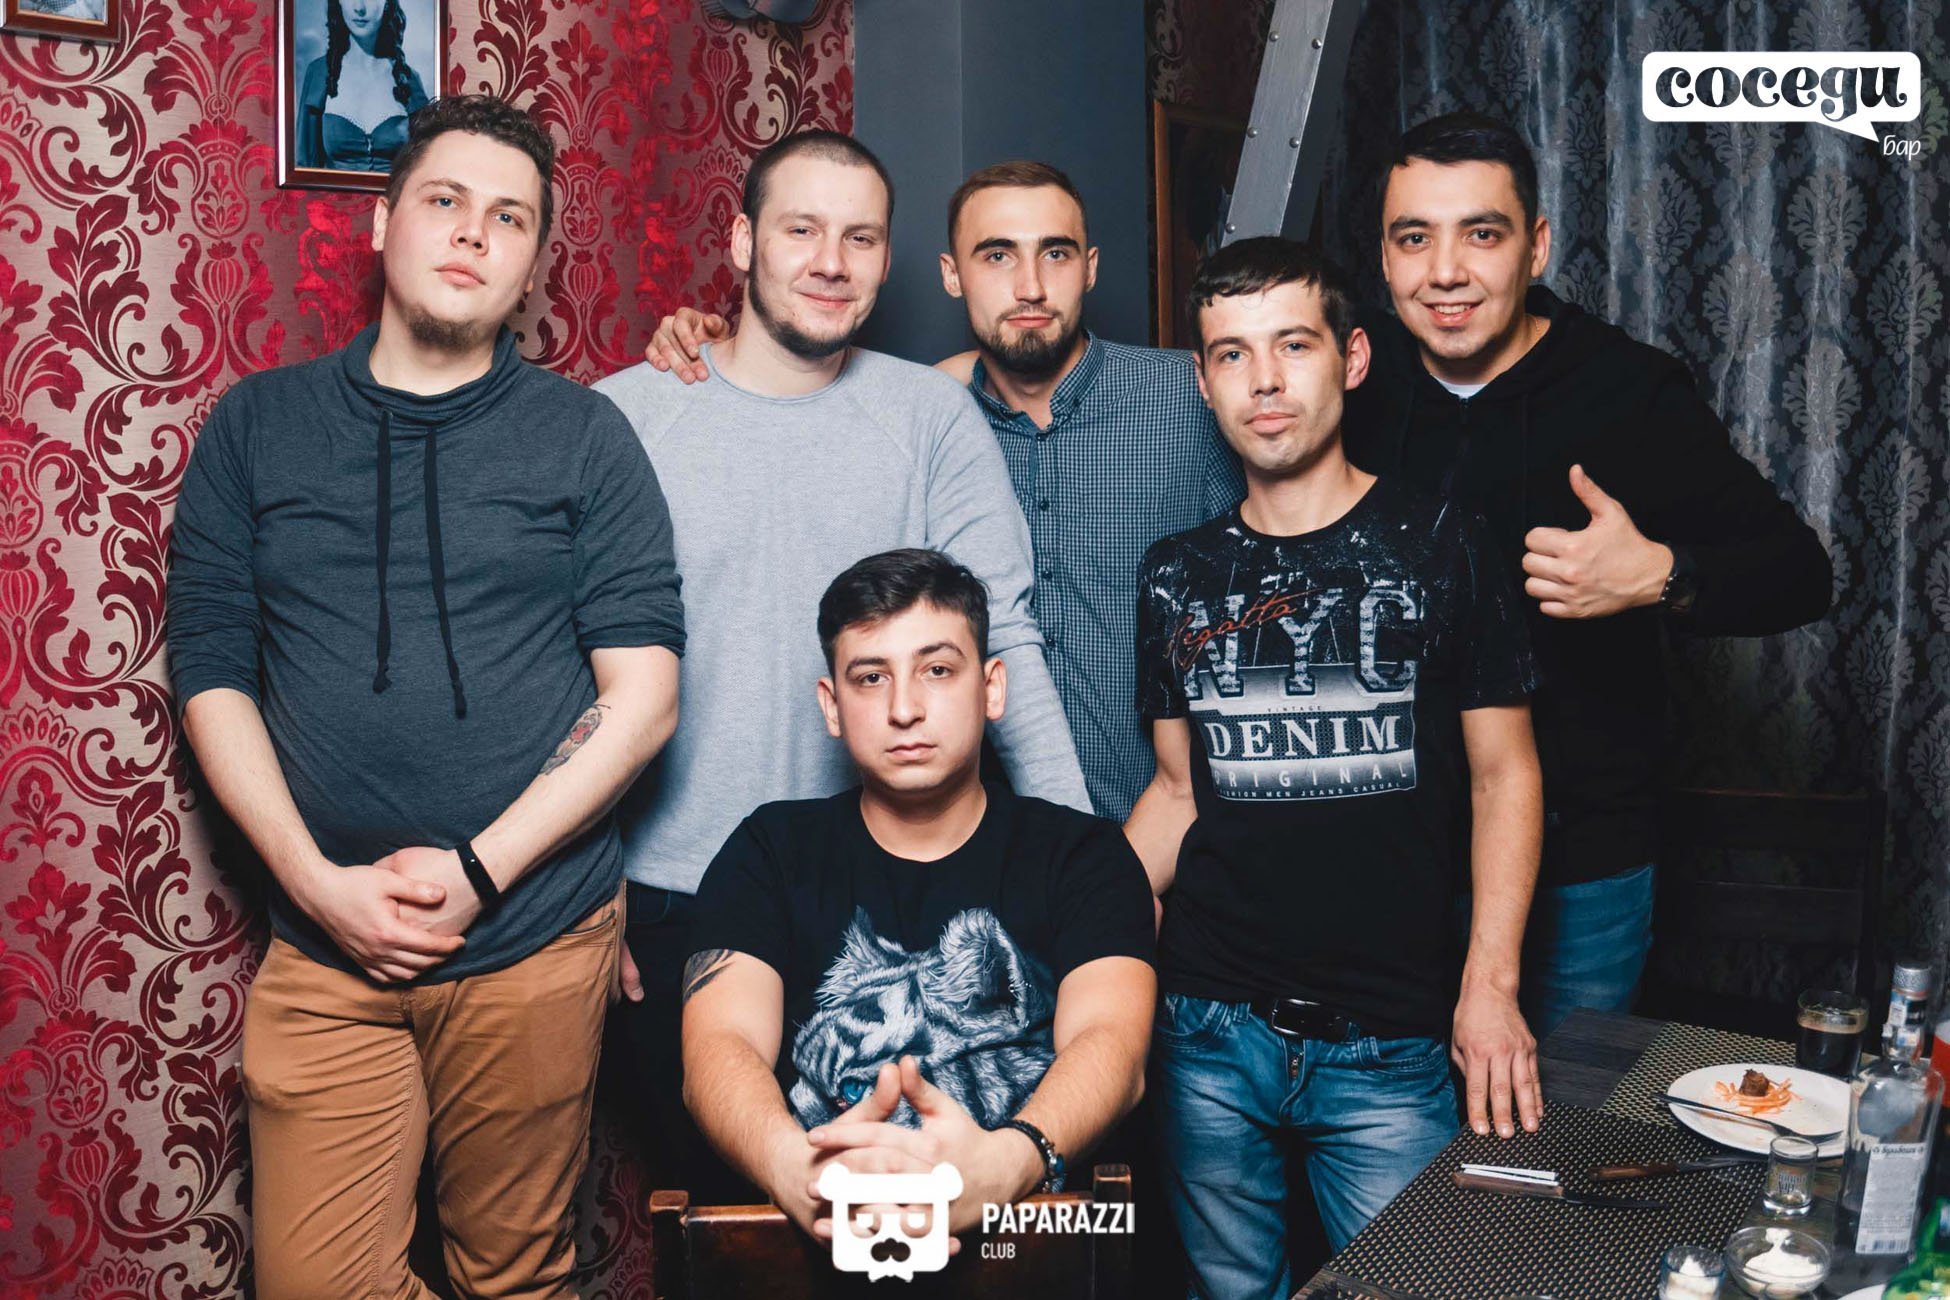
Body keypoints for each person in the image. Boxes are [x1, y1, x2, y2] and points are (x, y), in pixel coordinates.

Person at [168, 95, 684, 1298]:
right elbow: (212, 671)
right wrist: (314, 882)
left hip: (533, 931)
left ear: (534, 262)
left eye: (510, 217)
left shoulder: (588, 438)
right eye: (445, 201)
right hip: (326, 939)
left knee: (515, 1275)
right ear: (382, 224)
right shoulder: (257, 426)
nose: (472, 234)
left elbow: (646, 695)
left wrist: (480, 871)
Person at [592, 131, 1090, 1202]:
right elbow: (563, 670)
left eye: (860, 237)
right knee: (734, 1232)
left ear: (887, 259)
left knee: (932, 1223)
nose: (830, 260)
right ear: (742, 242)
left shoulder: (931, 417)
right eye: (802, 230)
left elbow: (1006, 638)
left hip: (885, 908)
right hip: (672, 900)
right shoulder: (629, 415)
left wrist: (1087, 866)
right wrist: (586, 889)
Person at [1345, 111, 1834, 1036]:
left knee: (1560, 1120)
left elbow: (1801, 573)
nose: (1445, 272)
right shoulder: (1352, 374)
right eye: (1415, 238)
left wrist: (1660, 576)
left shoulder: (1628, 390)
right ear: (1384, 255)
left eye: (1481, 234)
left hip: (1582, 874)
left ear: (1535, 247)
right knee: (1401, 1125)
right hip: (1386, 865)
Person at [1126, 237, 1543, 1296]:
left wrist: (1490, 986)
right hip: (1206, 1032)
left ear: (1352, 359)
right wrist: (1078, 935)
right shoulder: (1176, 575)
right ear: (1204, 380)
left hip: (1390, 1040)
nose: (1264, 381)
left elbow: (1504, 776)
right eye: (1232, 354)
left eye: (1293, 346)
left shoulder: (1444, 542)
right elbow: (1176, 793)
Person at [639, 161, 1244, 824]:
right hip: (976, 843)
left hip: (1183, 820)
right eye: (997, 256)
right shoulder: (930, 417)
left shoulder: (1191, 396)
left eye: (1056, 253)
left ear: (1090, 267)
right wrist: (718, 349)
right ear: (952, 275)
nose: (1031, 286)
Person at [681, 548, 1155, 1244]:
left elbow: (1111, 1044)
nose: (904, 709)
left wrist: (1006, 1164)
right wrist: (796, 1172)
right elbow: (720, 1047)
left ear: (991, 688)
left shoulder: (1084, 855)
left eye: (937, 670)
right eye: (871, 678)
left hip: (1026, 1255)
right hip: (814, 1253)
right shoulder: (769, 850)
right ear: (832, 705)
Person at [296, 0, 430, 172]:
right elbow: (305, 167)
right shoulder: (319, 73)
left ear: (387, 3)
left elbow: (425, 168)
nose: (359, 8)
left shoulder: (409, 80)